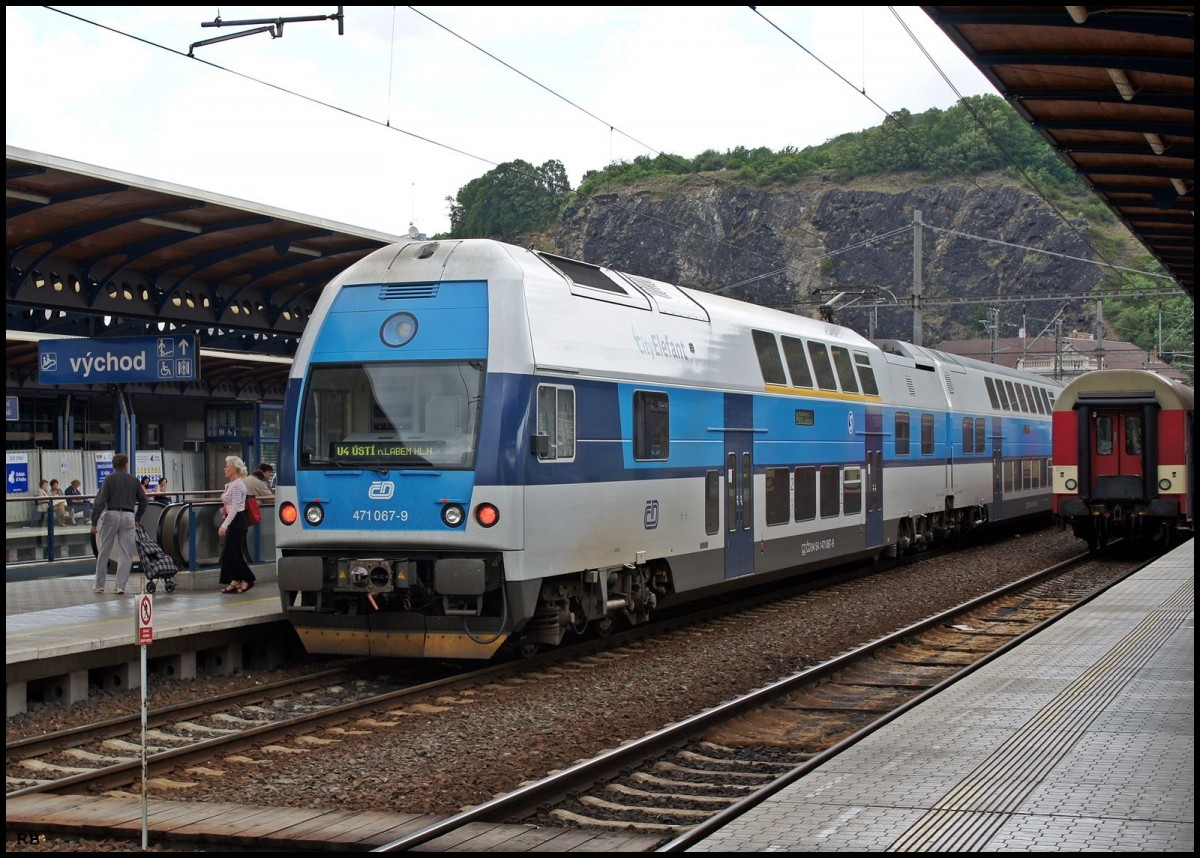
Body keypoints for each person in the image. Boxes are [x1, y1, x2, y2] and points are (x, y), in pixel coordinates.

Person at [91, 453, 149, 595]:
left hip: (111, 514)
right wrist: (137, 517)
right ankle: (120, 586)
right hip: (129, 516)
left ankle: (99, 585)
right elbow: (143, 500)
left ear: (113, 465)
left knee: (104, 550)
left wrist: (94, 522)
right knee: (126, 553)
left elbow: (99, 501)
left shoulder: (109, 479)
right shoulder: (133, 480)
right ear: (126, 464)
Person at [218, 455, 256, 594]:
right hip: (233, 520)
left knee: (233, 553)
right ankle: (235, 580)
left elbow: (235, 508)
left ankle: (247, 579)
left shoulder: (238, 485)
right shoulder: (230, 485)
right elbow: (230, 505)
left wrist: (224, 525)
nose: (225, 469)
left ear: (234, 469)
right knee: (231, 553)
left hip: (237, 521)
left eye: (227, 466)